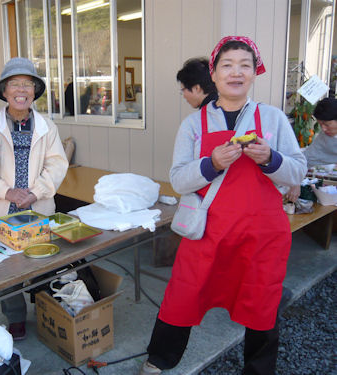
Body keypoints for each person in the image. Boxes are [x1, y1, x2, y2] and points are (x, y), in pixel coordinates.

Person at [139, 36, 307, 375]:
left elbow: (298, 171)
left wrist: (270, 159)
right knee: (183, 295)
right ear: (213, 75)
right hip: (208, 231)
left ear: (254, 73)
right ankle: (160, 359)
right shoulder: (194, 124)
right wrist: (211, 163)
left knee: (262, 301)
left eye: (245, 65)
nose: (236, 72)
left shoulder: (272, 118)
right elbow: (179, 180)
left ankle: (259, 370)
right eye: (227, 65)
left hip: (261, 234)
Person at [0, 57, 68, 340]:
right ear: (4, 90)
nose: (21, 90)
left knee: (42, 264)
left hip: (36, 210)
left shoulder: (47, 126)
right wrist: (8, 192)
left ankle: (45, 310)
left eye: (27, 84)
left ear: (35, 91)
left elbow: (57, 164)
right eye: (14, 84)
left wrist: (35, 192)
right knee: (6, 272)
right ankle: (14, 317)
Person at [286, 97, 337, 202]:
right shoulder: (324, 139)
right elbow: (305, 160)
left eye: (327, 124)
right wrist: (296, 182)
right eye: (320, 124)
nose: (323, 129)